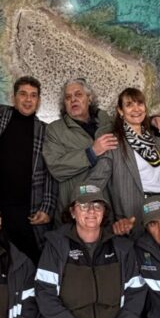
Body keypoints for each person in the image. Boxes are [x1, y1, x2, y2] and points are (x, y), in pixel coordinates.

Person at [32, 184, 146, 318]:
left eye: (97, 205)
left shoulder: (122, 247)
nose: (91, 211)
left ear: (104, 213)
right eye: (83, 205)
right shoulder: (56, 246)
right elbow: (45, 297)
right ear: (73, 212)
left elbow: (136, 295)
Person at [0, 75, 57, 263]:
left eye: (33, 95)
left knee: (32, 262)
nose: (28, 99)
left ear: (38, 101)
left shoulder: (45, 131)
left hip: (30, 211)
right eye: (23, 94)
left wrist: (47, 208)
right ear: (14, 97)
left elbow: (51, 172)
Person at [85, 87, 160, 237]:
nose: (136, 109)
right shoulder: (113, 141)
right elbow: (96, 179)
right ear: (120, 111)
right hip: (138, 207)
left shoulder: (154, 137)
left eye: (140, 104)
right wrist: (83, 203)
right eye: (129, 105)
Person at [43, 78, 116, 220]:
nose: (73, 100)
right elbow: (55, 167)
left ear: (89, 99)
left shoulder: (107, 123)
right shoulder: (55, 130)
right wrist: (91, 153)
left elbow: (132, 125)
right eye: (68, 97)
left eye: (78, 95)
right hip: (75, 211)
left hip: (108, 210)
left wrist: (155, 120)